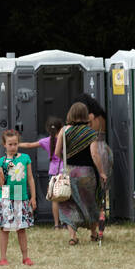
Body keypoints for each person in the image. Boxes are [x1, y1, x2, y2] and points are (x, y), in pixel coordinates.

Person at [53, 102, 111, 244]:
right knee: (91, 202)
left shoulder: (64, 131)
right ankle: (93, 233)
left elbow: (56, 152)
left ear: (70, 114)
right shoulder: (90, 133)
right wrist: (102, 172)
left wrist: (67, 161)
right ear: (85, 115)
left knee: (68, 203)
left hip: (68, 172)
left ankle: (73, 236)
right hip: (87, 174)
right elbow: (95, 154)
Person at [0, 129, 36, 265]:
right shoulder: (1, 162)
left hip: (20, 194)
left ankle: (25, 257)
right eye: (10, 144)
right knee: (5, 228)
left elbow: (30, 178)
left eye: (15, 144)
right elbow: (1, 183)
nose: (13, 147)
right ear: (4, 145)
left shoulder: (25, 158)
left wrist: (33, 197)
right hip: (6, 194)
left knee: (21, 228)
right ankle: (3, 258)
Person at [19, 117, 64, 228]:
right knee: (66, 197)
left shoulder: (46, 141)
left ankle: (56, 224)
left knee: (55, 199)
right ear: (61, 128)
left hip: (53, 171)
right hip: (65, 170)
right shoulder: (65, 139)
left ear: (48, 129)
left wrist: (16, 145)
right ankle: (66, 223)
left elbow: (29, 145)